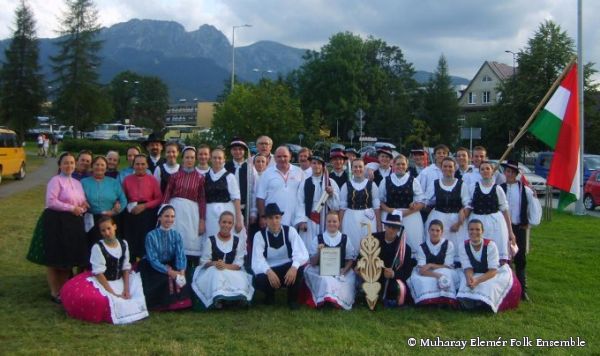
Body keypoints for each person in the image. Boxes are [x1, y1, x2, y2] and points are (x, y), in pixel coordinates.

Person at [60, 216, 148, 324]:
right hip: (104, 282)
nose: (107, 232)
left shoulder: (123, 244)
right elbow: (99, 273)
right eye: (103, 230)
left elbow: (125, 268)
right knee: (104, 300)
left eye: (109, 228)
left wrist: (126, 289)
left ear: (114, 227)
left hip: (120, 280)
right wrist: (113, 293)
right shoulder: (98, 248)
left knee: (137, 294)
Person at [42, 152, 90, 303]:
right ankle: (54, 291)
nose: (69, 165)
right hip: (57, 221)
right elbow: (51, 202)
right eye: (66, 163)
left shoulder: (77, 183)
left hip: (73, 223)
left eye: (71, 163)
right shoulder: (55, 181)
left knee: (67, 257)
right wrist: (71, 208)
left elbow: (81, 201)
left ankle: (64, 289)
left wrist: (83, 205)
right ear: (60, 165)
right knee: (55, 257)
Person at [192, 211, 254, 309]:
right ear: (219, 223)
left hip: (232, 270)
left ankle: (236, 299)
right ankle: (219, 298)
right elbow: (204, 261)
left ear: (232, 224)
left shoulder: (238, 241)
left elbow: (238, 264)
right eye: (224, 222)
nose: (226, 225)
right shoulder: (210, 240)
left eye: (229, 223)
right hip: (214, 269)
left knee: (238, 277)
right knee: (217, 273)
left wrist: (225, 266)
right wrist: (215, 263)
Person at [252, 203, 308, 309]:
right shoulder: (259, 236)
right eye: (271, 218)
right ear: (266, 220)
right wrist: (268, 271)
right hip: (270, 269)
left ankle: (292, 300)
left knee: (299, 269)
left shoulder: (290, 231)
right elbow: (257, 260)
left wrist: (294, 267)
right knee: (260, 278)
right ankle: (269, 297)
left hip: (287, 269)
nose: (274, 221)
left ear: (281, 218)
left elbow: (301, 253)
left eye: (277, 217)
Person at [457, 219, 521, 313]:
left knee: (488, 286)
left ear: (482, 231)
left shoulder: (490, 245)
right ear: (468, 231)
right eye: (471, 229)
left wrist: (478, 281)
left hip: (491, 274)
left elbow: (493, 271)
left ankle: (483, 303)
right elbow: (467, 267)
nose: (474, 232)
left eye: (477, 229)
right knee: (465, 284)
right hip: (474, 273)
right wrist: (470, 279)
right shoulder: (463, 246)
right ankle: (473, 303)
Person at [500, 160, 541, 301]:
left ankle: (522, 289)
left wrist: (529, 222)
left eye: (512, 172)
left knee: (520, 257)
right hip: (502, 228)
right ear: (504, 173)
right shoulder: (499, 188)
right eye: (507, 171)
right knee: (504, 257)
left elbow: (533, 206)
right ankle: (506, 288)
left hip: (518, 227)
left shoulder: (525, 190)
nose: (509, 174)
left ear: (516, 174)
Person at [138, 205, 192, 311]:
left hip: (171, 263)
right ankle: (162, 304)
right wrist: (169, 271)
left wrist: (181, 270)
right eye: (167, 216)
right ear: (159, 217)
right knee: (164, 279)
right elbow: (152, 259)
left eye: (172, 216)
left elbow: (180, 253)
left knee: (184, 276)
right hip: (153, 266)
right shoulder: (151, 235)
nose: (170, 219)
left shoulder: (176, 235)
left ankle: (181, 303)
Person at [302, 211, 357, 310]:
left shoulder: (345, 238)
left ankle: (336, 302)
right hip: (322, 270)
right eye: (329, 221)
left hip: (340, 270)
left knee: (347, 280)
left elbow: (350, 260)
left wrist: (343, 271)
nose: (332, 224)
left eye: (334, 221)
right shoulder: (318, 238)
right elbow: (313, 262)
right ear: (326, 223)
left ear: (339, 223)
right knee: (325, 280)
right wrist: (319, 252)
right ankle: (325, 301)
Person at [162, 146, 206, 264]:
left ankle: (188, 270)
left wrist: (202, 219)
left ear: (195, 159)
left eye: (192, 157)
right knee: (173, 239)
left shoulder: (200, 178)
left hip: (191, 213)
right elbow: (167, 194)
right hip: (175, 211)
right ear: (182, 159)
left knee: (189, 241)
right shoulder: (174, 176)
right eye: (187, 157)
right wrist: (162, 213)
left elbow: (202, 199)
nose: (189, 160)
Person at [464, 161, 515, 263]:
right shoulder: (473, 187)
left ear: (492, 171)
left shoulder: (498, 189)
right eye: (482, 169)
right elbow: (468, 206)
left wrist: (510, 231)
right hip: (477, 222)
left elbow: (505, 210)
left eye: (488, 169)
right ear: (479, 172)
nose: (485, 171)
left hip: (495, 224)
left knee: (495, 252)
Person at [425, 157, 471, 266]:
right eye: (445, 166)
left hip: (456, 220)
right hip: (438, 218)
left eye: (450, 166)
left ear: (455, 168)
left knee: (456, 248)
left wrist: (459, 222)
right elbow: (426, 200)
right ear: (441, 168)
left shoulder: (461, 184)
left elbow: (468, 204)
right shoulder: (435, 183)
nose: (447, 168)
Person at [378, 154, 425, 254]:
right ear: (393, 165)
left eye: (403, 164)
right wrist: (389, 210)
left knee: (410, 245)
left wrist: (411, 207)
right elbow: (380, 201)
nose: (400, 166)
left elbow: (421, 201)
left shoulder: (414, 181)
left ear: (407, 165)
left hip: (410, 217)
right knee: (390, 245)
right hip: (390, 217)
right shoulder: (385, 180)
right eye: (398, 164)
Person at [407, 220, 459, 307]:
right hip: (428, 272)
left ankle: (446, 300)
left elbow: (448, 265)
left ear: (442, 232)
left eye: (437, 230)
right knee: (420, 279)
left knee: (447, 273)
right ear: (428, 231)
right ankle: (428, 301)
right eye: (432, 230)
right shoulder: (422, 247)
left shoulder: (448, 244)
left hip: (443, 269)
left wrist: (431, 265)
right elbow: (422, 270)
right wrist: (438, 275)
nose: (434, 233)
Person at [122, 154, 162, 261]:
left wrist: (144, 206)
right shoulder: (127, 180)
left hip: (147, 214)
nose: (140, 166)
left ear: (147, 165)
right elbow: (123, 197)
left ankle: (143, 267)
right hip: (131, 214)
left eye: (143, 164)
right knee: (131, 242)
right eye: (137, 164)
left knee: (144, 242)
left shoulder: (152, 180)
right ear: (133, 165)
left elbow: (158, 199)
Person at [371, 213, 416, 307]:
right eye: (389, 226)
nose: (391, 230)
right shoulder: (373, 239)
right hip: (374, 275)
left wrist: (393, 274)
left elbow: (407, 271)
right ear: (384, 226)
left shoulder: (405, 248)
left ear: (399, 229)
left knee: (395, 288)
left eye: (395, 228)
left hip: (391, 279)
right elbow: (362, 256)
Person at [81, 156, 127, 246]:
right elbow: (78, 197)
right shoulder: (83, 182)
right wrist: (83, 202)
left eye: (102, 165)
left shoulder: (113, 182)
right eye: (97, 164)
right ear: (92, 166)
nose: (99, 167)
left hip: (110, 218)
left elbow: (123, 200)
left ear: (106, 168)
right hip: (91, 218)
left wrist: (115, 211)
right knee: (92, 245)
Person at [256, 145, 305, 228]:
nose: (282, 159)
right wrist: (262, 217)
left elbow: (303, 197)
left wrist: (302, 219)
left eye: (285, 156)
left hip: (294, 220)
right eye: (279, 156)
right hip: (272, 219)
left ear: (290, 156)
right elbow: (260, 198)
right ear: (274, 158)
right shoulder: (267, 173)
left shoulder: (299, 172)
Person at [296, 156, 340, 247]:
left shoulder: (330, 182)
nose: (316, 166)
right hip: (310, 218)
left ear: (323, 166)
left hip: (325, 217)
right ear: (310, 165)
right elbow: (300, 202)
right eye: (314, 163)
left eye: (319, 164)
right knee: (309, 244)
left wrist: (331, 194)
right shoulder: (305, 183)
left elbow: (336, 205)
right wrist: (301, 221)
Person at [339, 159, 380, 250]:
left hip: (368, 218)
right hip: (350, 218)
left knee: (367, 243)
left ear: (364, 168)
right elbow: (342, 208)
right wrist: (340, 224)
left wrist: (379, 224)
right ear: (352, 169)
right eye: (355, 167)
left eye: (360, 167)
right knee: (352, 242)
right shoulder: (346, 186)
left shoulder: (372, 185)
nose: (358, 169)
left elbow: (377, 207)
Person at [205, 147, 244, 239]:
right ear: (210, 159)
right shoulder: (205, 176)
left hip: (227, 213)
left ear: (224, 159)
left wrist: (238, 220)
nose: (217, 160)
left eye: (219, 158)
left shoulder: (230, 177)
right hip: (209, 214)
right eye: (214, 157)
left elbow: (236, 199)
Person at [225, 138, 253, 221]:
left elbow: (254, 189)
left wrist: (253, 211)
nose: (237, 152)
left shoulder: (250, 168)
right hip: (228, 205)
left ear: (244, 151)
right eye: (234, 149)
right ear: (231, 151)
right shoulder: (225, 167)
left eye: (240, 149)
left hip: (245, 207)